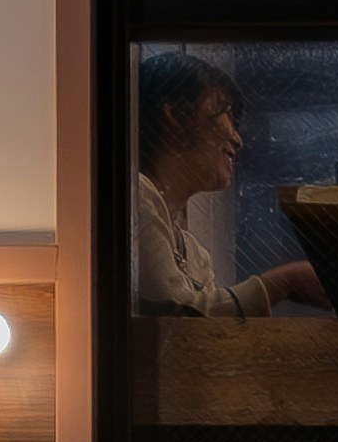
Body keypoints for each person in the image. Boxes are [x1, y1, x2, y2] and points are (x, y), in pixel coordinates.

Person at [127, 52, 325, 318]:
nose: (237, 139)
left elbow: (204, 335)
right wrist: (281, 283)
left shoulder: (193, 253)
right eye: (226, 113)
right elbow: (177, 321)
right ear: (175, 116)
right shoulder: (135, 203)